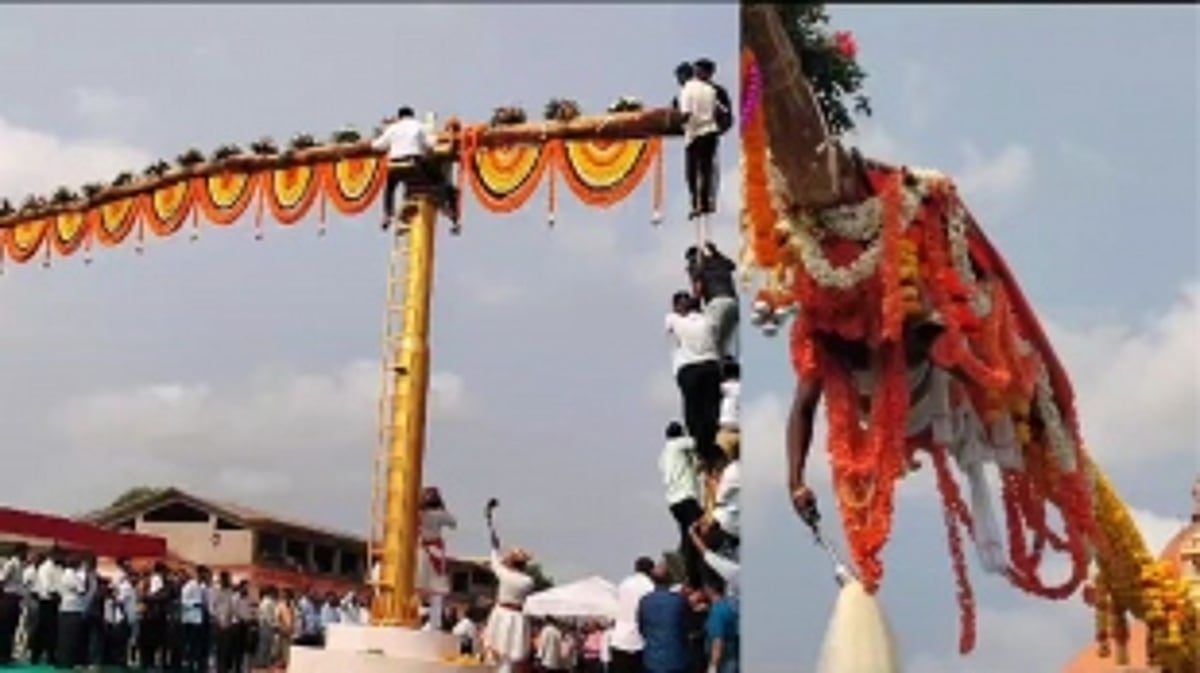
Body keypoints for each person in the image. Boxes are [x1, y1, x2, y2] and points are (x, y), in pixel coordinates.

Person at [371, 106, 460, 229]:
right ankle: (445, 206)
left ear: (399, 117)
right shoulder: (419, 126)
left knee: (389, 188)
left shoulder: (393, 128)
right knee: (440, 180)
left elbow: (376, 146)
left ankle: (387, 215)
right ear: (412, 116)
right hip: (415, 164)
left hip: (395, 166)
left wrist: (383, 137)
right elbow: (431, 144)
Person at [665, 291, 723, 469]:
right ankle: (708, 449)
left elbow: (669, 328)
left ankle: (701, 450)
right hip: (710, 366)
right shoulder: (708, 320)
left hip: (688, 369)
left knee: (693, 412)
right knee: (711, 411)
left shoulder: (673, 319)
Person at [482, 522, 536, 673]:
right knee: (510, 656)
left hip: (502, 614)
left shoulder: (505, 575)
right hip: (517, 616)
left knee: (499, 653)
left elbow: (495, 563)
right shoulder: (528, 581)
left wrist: (494, 548)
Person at [659, 421, 704, 590]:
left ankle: (684, 566)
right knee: (699, 532)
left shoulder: (664, 455)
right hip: (685, 497)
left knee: (687, 535)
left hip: (673, 501)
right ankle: (694, 574)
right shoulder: (678, 445)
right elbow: (699, 442)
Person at [677, 60, 721, 219]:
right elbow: (717, 112)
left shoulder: (686, 90)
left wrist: (677, 124)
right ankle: (706, 202)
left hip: (695, 134)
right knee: (707, 169)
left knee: (692, 172)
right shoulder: (711, 89)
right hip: (711, 132)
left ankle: (697, 204)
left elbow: (686, 114)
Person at [685, 242, 740, 362]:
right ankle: (727, 367)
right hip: (733, 304)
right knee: (725, 343)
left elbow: (697, 292)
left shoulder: (696, 268)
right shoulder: (719, 262)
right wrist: (716, 252)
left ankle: (718, 370)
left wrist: (693, 307)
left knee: (711, 344)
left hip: (716, 303)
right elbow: (732, 266)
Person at [636, 562, 690, 673]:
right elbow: (686, 627)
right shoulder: (679, 601)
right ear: (670, 580)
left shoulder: (644, 601)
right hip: (676, 659)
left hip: (652, 659)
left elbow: (641, 628)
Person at [418, 486, 458, 626]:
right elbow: (454, 523)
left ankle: (420, 618)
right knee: (438, 587)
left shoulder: (418, 513)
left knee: (419, 586)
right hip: (434, 550)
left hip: (421, 550)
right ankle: (435, 623)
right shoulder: (440, 514)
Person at [610, 557, 656, 673]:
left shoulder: (624, 584)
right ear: (651, 570)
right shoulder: (650, 587)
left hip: (619, 638)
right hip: (640, 641)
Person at [702, 574, 738, 673]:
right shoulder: (728, 605)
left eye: (706, 587)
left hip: (723, 663)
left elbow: (718, 642)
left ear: (711, 589)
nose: (704, 590)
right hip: (731, 657)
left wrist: (712, 667)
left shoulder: (717, 612)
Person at [0, 543, 26, 664]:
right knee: (5, 627)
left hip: (16, 598)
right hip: (9, 597)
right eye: (25, 552)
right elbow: (2, 579)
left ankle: (7, 653)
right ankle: (2, 655)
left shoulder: (21, 565)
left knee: (12, 627)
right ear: (20, 552)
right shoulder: (11, 564)